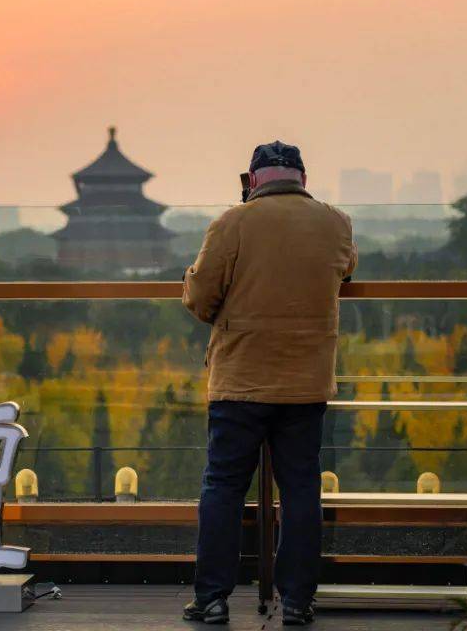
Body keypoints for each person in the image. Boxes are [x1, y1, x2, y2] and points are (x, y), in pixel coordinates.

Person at [180, 141, 356, 626]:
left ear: (252, 179)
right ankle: (297, 600)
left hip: (240, 380)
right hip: (306, 381)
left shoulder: (232, 223)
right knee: (301, 488)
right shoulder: (334, 222)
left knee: (223, 486)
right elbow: (346, 269)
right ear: (302, 177)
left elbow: (200, 297)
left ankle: (212, 597)